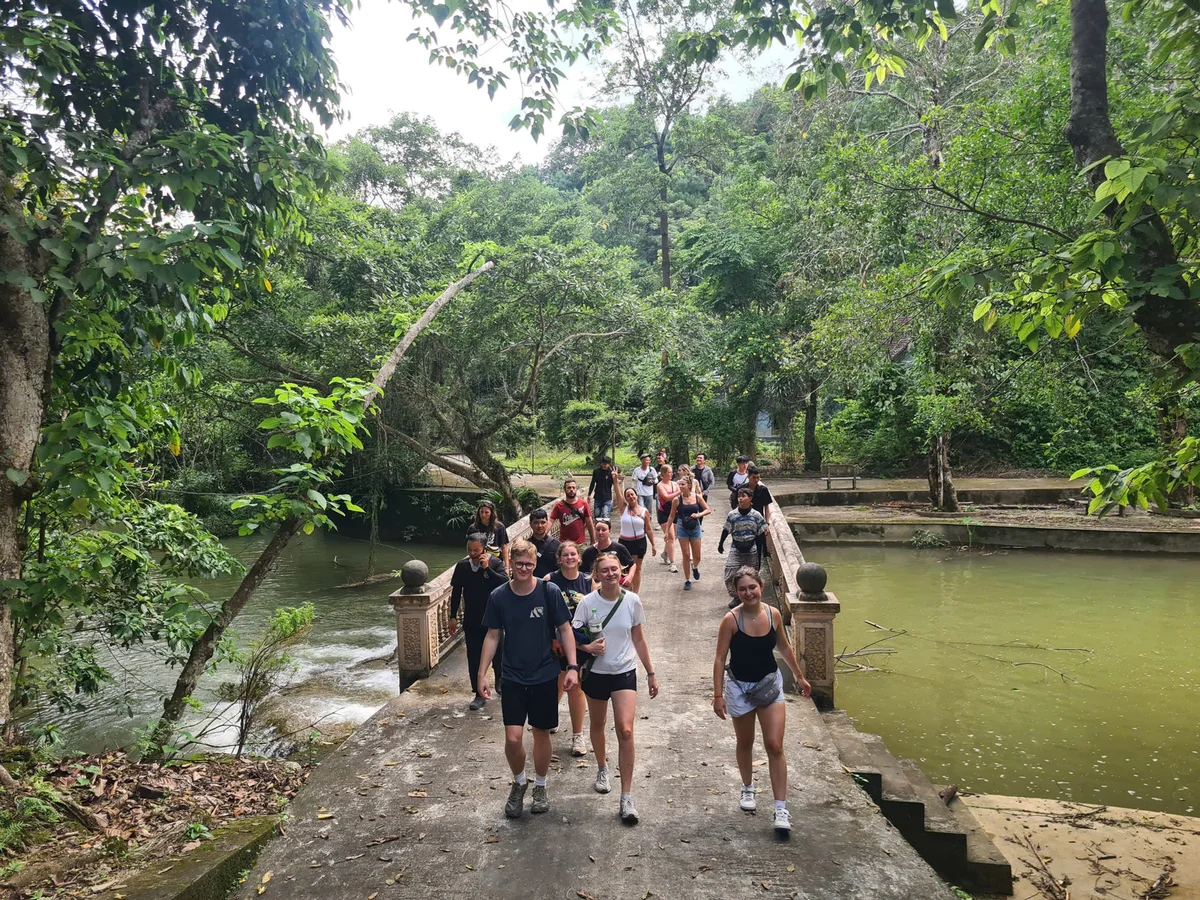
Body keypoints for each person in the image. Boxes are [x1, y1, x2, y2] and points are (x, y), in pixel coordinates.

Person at [478, 540, 579, 819]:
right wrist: (482, 673)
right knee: (513, 738)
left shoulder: (549, 592)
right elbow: (492, 635)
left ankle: (541, 786)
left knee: (541, 732)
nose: (524, 568)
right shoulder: (499, 596)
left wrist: (572, 666)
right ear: (511, 564)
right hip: (512, 675)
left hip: (545, 673)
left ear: (535, 565)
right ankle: (520, 781)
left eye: (530, 565)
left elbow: (565, 629)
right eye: (520, 563)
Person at [712, 567, 811, 837]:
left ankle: (781, 807)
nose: (748, 593)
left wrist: (800, 677)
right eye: (742, 589)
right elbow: (720, 658)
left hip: (769, 684)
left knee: (775, 744)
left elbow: (784, 647)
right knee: (745, 742)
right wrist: (718, 694)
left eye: (752, 587)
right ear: (736, 592)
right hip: (739, 686)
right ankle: (747, 787)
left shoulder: (773, 614)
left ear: (761, 586)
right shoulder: (731, 620)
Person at [574, 552, 659, 824]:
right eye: (605, 570)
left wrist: (651, 672)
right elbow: (571, 636)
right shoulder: (587, 603)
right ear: (596, 574)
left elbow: (639, 638)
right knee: (598, 724)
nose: (611, 574)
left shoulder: (632, 600)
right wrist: (586, 647)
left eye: (615, 569)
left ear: (621, 571)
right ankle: (602, 767)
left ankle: (627, 796)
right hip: (596, 673)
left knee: (625, 728)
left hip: (624, 671)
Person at [449, 534, 507, 711]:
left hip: (494, 617)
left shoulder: (495, 563)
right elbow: (456, 591)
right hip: (472, 617)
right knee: (473, 656)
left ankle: (500, 681)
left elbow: (505, 583)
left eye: (476, 550)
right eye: (469, 550)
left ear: (484, 549)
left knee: (498, 653)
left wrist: (487, 569)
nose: (472, 554)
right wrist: (452, 616)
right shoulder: (463, 566)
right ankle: (478, 692)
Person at [548, 541, 590, 757]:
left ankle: (577, 735)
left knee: (576, 687)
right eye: (565, 555)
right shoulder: (550, 581)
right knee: (559, 683)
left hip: (581, 643)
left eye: (573, 554)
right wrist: (552, 640)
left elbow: (594, 615)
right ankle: (550, 716)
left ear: (579, 558)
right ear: (560, 558)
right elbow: (545, 616)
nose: (570, 558)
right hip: (557, 644)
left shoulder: (588, 582)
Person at [717, 487, 768, 609]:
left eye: (743, 496)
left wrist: (764, 550)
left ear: (750, 499)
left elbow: (761, 534)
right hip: (736, 549)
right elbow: (726, 529)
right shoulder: (732, 515)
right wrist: (721, 543)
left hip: (751, 550)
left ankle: (753, 598)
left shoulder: (756, 515)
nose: (740, 498)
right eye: (739, 496)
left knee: (752, 576)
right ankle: (736, 597)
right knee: (730, 574)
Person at [664, 475, 711, 592]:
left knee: (697, 556)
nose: (680, 486)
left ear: (689, 485)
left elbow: (708, 509)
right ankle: (687, 580)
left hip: (695, 526)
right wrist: (666, 531)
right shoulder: (677, 500)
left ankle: (694, 567)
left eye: (683, 484)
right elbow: (671, 516)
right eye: (679, 484)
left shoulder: (697, 497)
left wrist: (698, 515)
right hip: (682, 526)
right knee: (685, 554)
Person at [614, 481, 657, 594]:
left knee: (637, 568)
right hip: (624, 542)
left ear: (636, 496)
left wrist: (653, 544)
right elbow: (617, 492)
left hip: (639, 542)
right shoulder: (623, 509)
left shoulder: (644, 511)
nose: (631, 497)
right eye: (628, 495)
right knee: (625, 568)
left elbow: (648, 529)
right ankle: (626, 590)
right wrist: (615, 479)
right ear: (626, 498)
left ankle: (635, 593)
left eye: (632, 494)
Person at [550, 478, 596, 546]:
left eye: (573, 487)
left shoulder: (583, 504)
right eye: (569, 488)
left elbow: (589, 522)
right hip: (564, 543)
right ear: (564, 490)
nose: (571, 489)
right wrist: (544, 533)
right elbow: (550, 521)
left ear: (576, 489)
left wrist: (593, 540)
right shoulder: (559, 506)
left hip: (580, 543)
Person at [468, 499, 510, 572]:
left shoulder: (499, 527)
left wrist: (506, 567)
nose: (483, 515)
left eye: (486, 512)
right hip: (478, 562)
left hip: (496, 562)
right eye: (481, 512)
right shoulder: (473, 528)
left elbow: (504, 547)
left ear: (491, 513)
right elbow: (469, 547)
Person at [656, 464, 681, 572]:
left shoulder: (675, 484)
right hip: (664, 513)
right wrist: (680, 491)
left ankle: (665, 553)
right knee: (670, 538)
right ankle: (673, 563)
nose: (671, 474)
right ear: (663, 473)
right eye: (669, 472)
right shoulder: (660, 485)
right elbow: (666, 497)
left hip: (675, 512)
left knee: (674, 536)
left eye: (671, 472)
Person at [528, 508, 561, 578]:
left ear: (547, 523)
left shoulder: (558, 546)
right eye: (536, 523)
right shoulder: (525, 546)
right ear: (530, 524)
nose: (540, 526)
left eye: (543, 522)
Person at [588, 456, 615, 524]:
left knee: (605, 515)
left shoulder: (611, 473)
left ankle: (606, 529)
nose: (604, 466)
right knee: (597, 515)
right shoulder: (596, 471)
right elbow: (592, 483)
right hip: (598, 497)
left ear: (609, 464)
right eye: (603, 464)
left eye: (605, 464)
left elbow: (615, 484)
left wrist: (615, 477)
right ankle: (598, 529)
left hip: (607, 497)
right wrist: (589, 494)